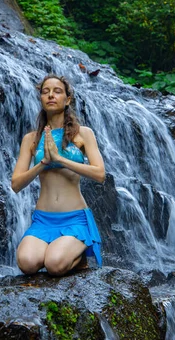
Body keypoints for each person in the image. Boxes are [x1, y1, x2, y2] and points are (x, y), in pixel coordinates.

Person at [11, 74, 106, 276]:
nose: (51, 95)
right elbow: (16, 184)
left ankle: (77, 256)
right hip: (43, 220)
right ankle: (60, 251)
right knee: (27, 263)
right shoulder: (31, 139)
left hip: (74, 220)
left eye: (57, 91)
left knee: (54, 265)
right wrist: (42, 164)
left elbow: (100, 174)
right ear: (41, 99)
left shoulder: (83, 134)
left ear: (67, 100)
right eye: (45, 92)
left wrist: (60, 159)